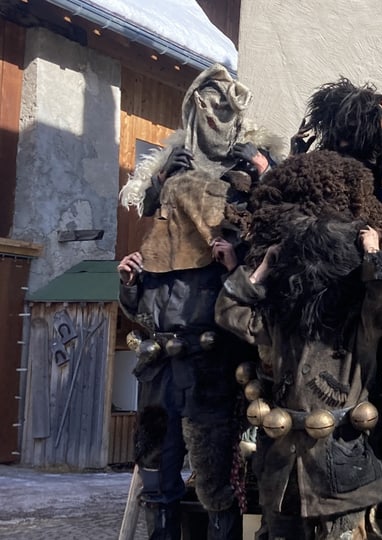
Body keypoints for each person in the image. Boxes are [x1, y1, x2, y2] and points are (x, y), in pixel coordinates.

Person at [117, 63, 283, 540]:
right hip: (160, 367)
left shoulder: (251, 172)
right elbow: (144, 309)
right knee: (157, 474)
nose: (212, 114)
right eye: (204, 105)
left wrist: (236, 265)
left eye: (222, 106)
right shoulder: (170, 177)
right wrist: (130, 283)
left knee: (214, 479)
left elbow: (259, 288)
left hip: (213, 365)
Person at [214, 148, 382, 539]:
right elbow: (227, 313)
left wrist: (372, 255)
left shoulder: (359, 326)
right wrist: (265, 267)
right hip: (284, 471)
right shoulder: (282, 324)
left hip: (340, 467)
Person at [290, 78, 382, 217]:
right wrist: (296, 158)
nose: (345, 136)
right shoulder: (327, 159)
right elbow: (295, 194)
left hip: (374, 232)